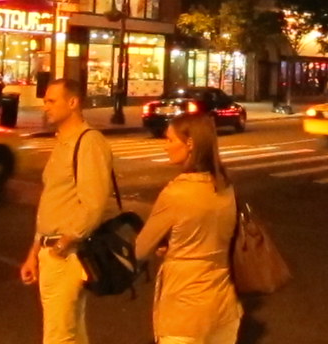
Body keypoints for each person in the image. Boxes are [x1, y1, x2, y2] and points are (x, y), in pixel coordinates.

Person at [20, 78, 117, 344]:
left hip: (66, 255)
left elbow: (93, 203)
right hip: (51, 250)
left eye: (52, 101)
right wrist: (34, 253)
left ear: (73, 102)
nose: (46, 107)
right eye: (45, 101)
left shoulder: (88, 142)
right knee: (71, 333)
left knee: (58, 336)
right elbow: (53, 201)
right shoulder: (64, 141)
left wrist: (63, 243)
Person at [136, 113, 242, 344]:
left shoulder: (176, 193)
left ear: (190, 143)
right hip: (224, 305)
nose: (165, 146)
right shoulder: (225, 187)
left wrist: (169, 247)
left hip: (185, 309)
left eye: (170, 139)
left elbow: (141, 249)